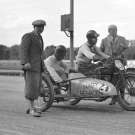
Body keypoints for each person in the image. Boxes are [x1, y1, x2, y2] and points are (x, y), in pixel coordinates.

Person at [20, 19, 46, 117]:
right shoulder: (28, 36)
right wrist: (25, 62)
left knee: (36, 88)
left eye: (42, 27)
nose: (41, 29)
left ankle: (32, 107)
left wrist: (42, 63)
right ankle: (31, 109)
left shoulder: (40, 37)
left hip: (38, 66)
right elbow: (23, 50)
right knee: (31, 88)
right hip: (30, 66)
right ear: (34, 27)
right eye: (39, 27)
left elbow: (39, 52)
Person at [100, 24, 128, 105]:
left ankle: (122, 99)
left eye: (115, 29)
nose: (114, 31)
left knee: (122, 79)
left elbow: (126, 49)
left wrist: (122, 55)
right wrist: (102, 59)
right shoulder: (104, 40)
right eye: (112, 30)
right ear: (108, 31)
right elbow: (101, 51)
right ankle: (113, 98)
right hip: (109, 63)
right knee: (111, 81)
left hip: (119, 62)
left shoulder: (122, 39)